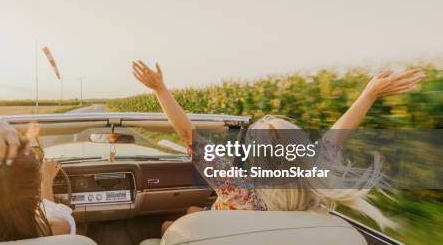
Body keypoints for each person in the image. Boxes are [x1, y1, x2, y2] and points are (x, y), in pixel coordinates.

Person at [131, 60, 424, 233]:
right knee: (195, 209)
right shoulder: (315, 176)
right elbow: (340, 133)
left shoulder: (235, 187)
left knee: (170, 228)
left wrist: (159, 88)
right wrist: (369, 94)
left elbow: (186, 134)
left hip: (225, 232)